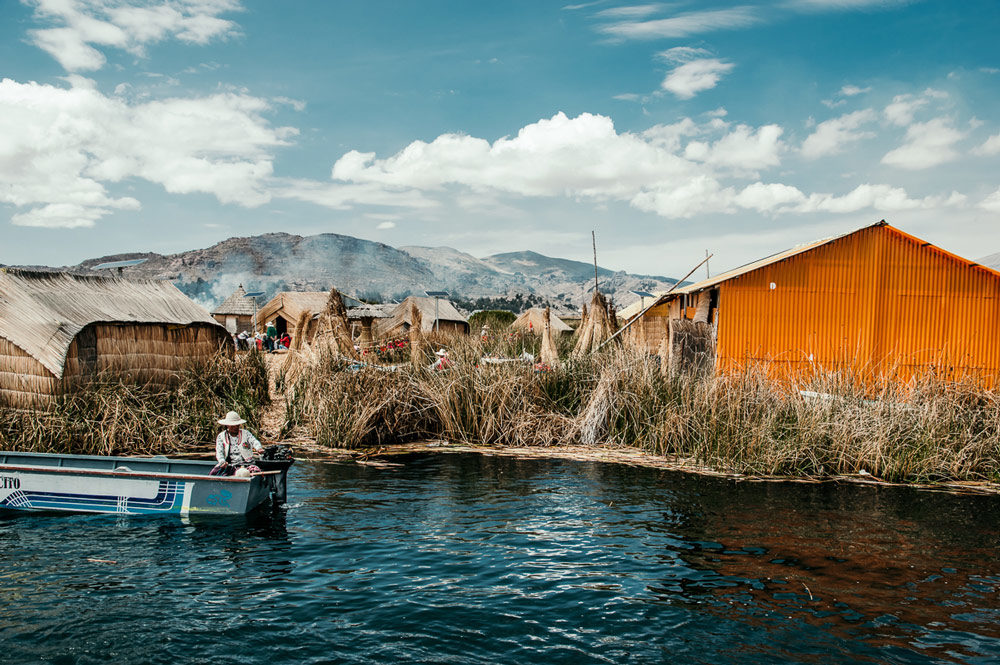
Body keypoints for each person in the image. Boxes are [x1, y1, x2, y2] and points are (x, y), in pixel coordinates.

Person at [211, 411, 264, 476]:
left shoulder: (246, 434)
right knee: (215, 473)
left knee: (248, 472)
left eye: (237, 425)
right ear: (228, 426)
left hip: (246, 463)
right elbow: (219, 451)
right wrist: (222, 461)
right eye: (233, 426)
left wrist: (259, 448)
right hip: (230, 465)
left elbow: (254, 441)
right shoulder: (221, 436)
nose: (235, 427)